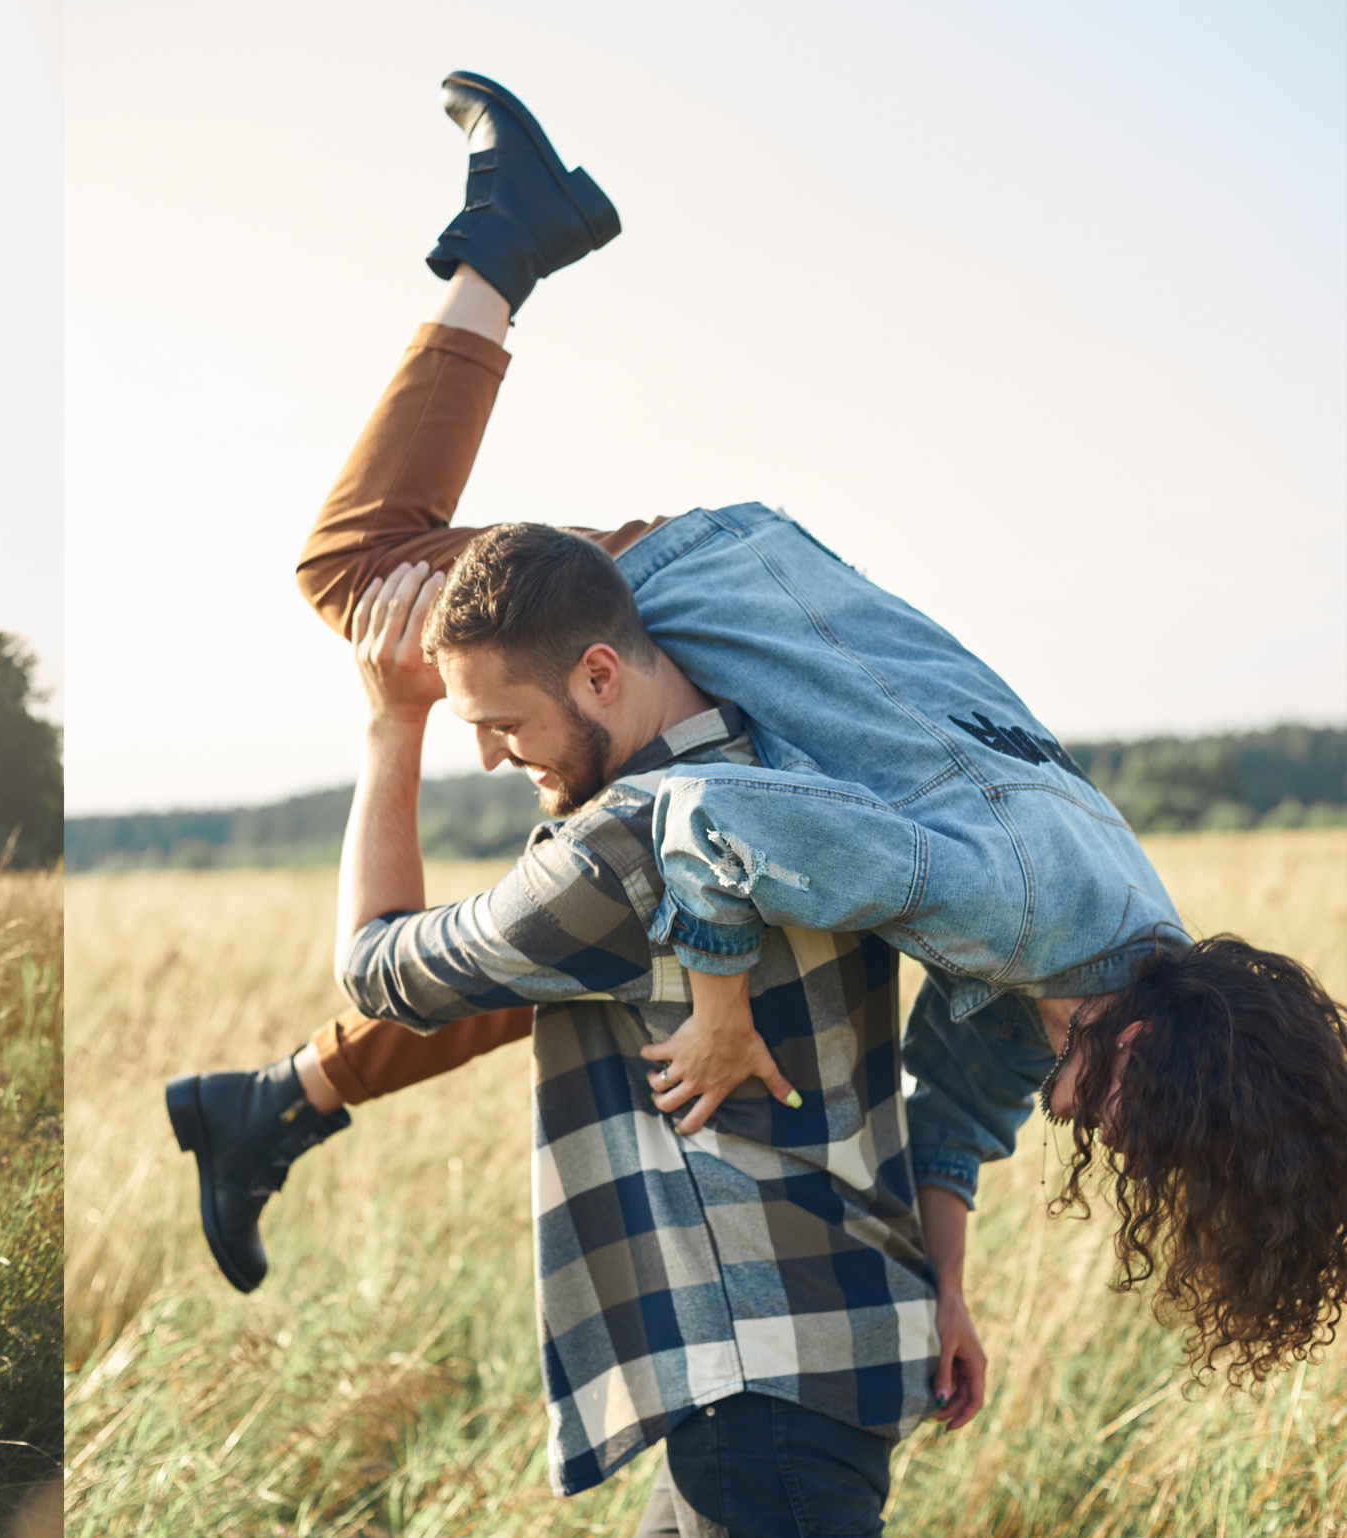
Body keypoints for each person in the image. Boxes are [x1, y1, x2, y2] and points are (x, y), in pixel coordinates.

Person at [170, 72, 1347, 1397]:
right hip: (700, 599)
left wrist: (946, 1282)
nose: (1093, 1127)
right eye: (1130, 1115)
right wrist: (721, 1009)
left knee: (590, 928)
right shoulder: (1011, 909)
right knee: (353, 569)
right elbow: (711, 825)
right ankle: (505, 233)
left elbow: (960, 1114)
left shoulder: (1111, 961)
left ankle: (278, 1102)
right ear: (1156, 1042)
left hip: (749, 635)